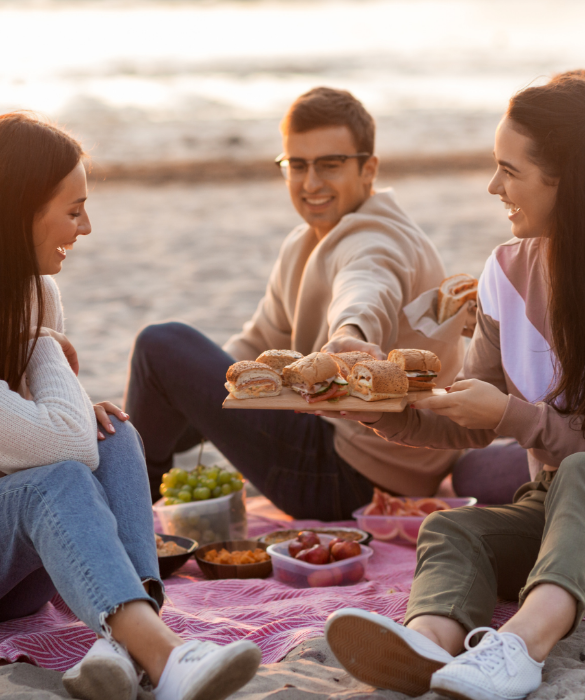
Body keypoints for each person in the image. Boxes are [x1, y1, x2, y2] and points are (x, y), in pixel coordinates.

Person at [321, 74, 585, 700]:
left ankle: (520, 646)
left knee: (580, 474)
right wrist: (385, 411)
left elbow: (515, 420)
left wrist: (517, 419)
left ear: (566, 179)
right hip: (558, 510)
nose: (494, 187)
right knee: (451, 529)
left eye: (509, 170)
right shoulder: (508, 270)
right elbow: (474, 409)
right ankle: (429, 645)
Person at [0, 113, 261, 700]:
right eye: (72, 211)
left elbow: (57, 430)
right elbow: (60, 445)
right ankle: (163, 658)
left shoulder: (37, 292)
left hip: (14, 570)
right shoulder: (35, 315)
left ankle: (129, 644)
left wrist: (69, 401)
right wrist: (46, 345)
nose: (86, 227)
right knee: (61, 474)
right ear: (19, 211)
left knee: (115, 433)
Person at [124, 87, 464, 520]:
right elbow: (252, 348)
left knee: (160, 346)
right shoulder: (304, 244)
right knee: (166, 383)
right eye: (297, 165)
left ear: (369, 169)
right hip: (365, 465)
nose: (311, 183)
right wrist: (189, 389)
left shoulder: (377, 238)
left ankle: (127, 510)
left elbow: (366, 286)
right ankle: (125, 466)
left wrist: (349, 334)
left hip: (350, 476)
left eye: (330, 165)